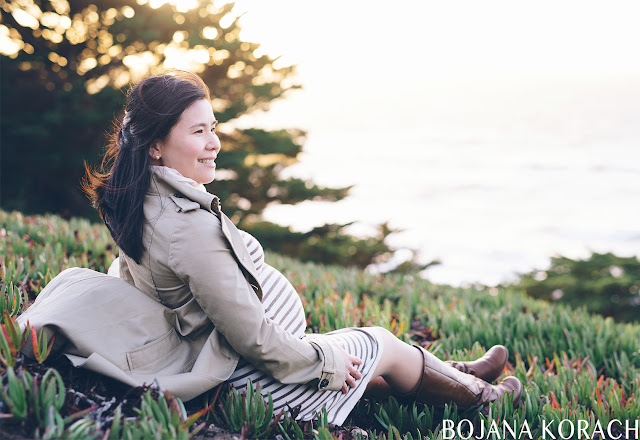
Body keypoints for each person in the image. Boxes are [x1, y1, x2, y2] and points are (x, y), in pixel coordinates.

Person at [26, 71, 522, 426]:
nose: (213, 143)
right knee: (376, 344)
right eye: (197, 132)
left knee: (351, 352)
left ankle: (450, 373)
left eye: (213, 127)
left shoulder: (134, 195)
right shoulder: (185, 226)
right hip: (241, 380)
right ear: (156, 145)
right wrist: (321, 360)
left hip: (224, 354)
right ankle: (484, 398)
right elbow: (254, 339)